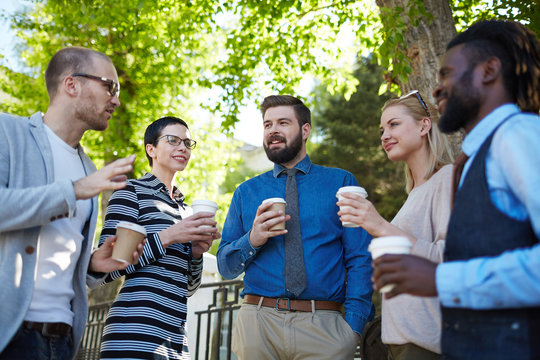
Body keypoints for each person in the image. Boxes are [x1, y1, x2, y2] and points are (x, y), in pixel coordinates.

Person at [372, 20, 540, 360]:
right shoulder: (475, 159)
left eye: (448, 74)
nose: (437, 89)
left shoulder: (517, 135)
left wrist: (442, 278)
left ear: (489, 70)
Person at [0, 47, 142, 360]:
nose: (116, 99)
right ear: (71, 84)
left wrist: (91, 265)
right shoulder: (7, 132)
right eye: (110, 86)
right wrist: (75, 190)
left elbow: (59, 254)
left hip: (63, 339)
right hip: (10, 334)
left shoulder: (89, 168)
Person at [217, 95, 375, 360]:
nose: (273, 131)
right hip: (258, 326)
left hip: (324, 327)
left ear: (305, 130)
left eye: (282, 122)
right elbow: (225, 266)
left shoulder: (341, 182)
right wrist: (252, 239)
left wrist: (354, 329)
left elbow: (360, 257)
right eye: (267, 125)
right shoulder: (246, 192)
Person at [338, 91, 453, 360]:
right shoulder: (414, 193)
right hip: (400, 338)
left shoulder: (447, 178)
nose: (384, 135)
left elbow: (450, 259)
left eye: (394, 124)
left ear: (424, 126)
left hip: (427, 341)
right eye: (382, 129)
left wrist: (378, 224)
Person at [95, 116, 220, 359]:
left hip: (175, 339)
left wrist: (196, 253)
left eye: (187, 142)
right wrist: (169, 236)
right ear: (150, 149)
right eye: (173, 140)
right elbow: (107, 266)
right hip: (133, 333)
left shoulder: (187, 211)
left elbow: (189, 287)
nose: (182, 147)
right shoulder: (130, 192)